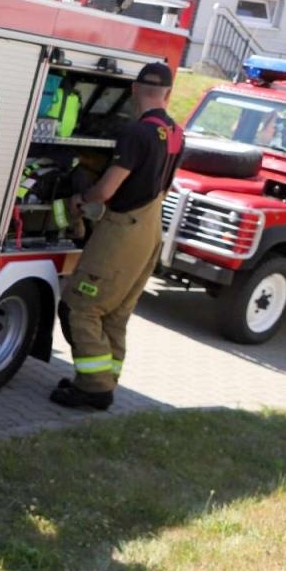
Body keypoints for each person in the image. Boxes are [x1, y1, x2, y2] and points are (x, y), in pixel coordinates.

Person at [51, 62, 182, 410]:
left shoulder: (136, 133)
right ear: (167, 93)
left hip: (122, 231)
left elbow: (107, 189)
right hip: (151, 228)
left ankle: (93, 388)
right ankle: (105, 380)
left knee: (80, 306)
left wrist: (81, 198)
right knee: (116, 313)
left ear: (135, 90)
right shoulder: (175, 132)